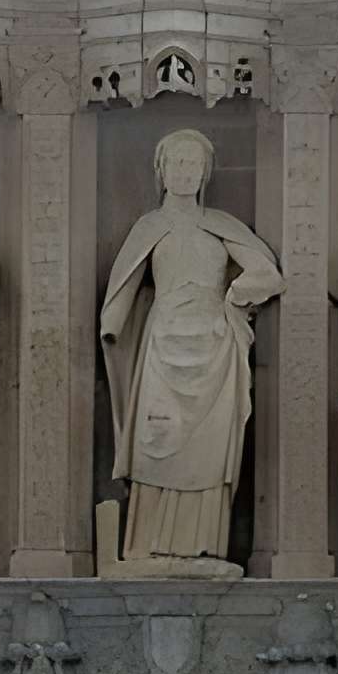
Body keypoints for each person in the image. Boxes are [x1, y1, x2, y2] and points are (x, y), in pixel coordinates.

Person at [99, 128, 283, 564]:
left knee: (206, 444)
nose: (184, 171)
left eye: (192, 163)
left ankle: (202, 546)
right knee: (157, 439)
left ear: (206, 172)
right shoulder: (151, 227)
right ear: (161, 171)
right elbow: (122, 288)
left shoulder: (219, 225)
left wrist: (236, 295)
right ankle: (146, 546)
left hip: (213, 345)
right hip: (164, 342)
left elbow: (270, 275)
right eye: (176, 163)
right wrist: (112, 325)